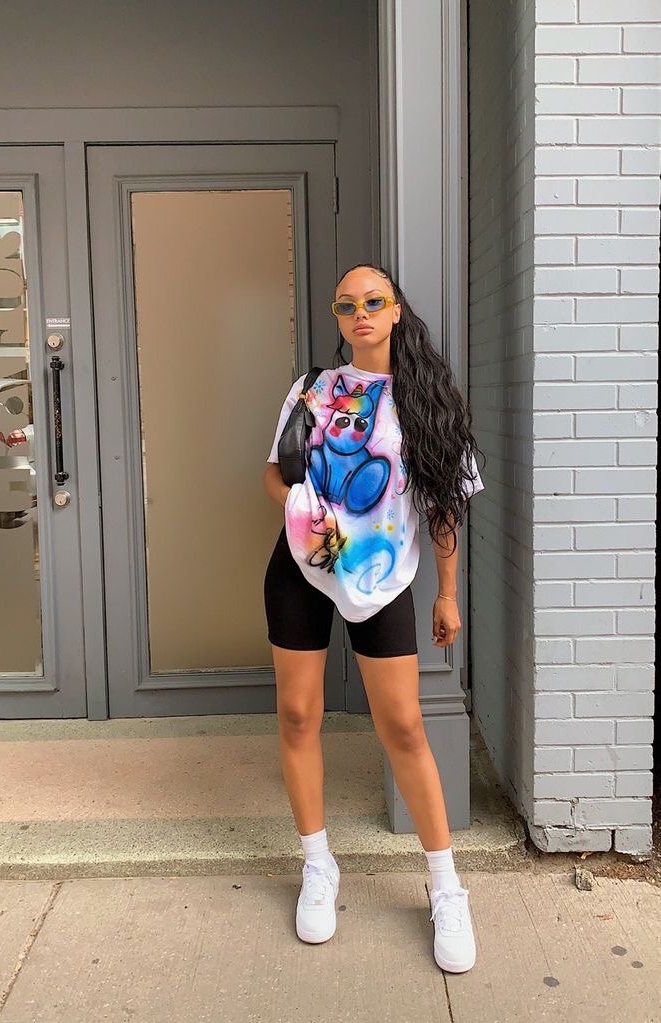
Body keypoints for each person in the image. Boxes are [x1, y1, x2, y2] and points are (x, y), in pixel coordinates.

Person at [262, 262, 486, 973]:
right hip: (302, 566)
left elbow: (444, 505)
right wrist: (303, 509)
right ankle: (318, 864)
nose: (360, 313)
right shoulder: (313, 389)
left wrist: (447, 592)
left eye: (373, 300)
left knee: (405, 727)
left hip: (382, 580)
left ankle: (446, 886)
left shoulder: (425, 399)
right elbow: (273, 471)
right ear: (338, 317)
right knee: (298, 715)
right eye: (346, 304)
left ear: (394, 311)